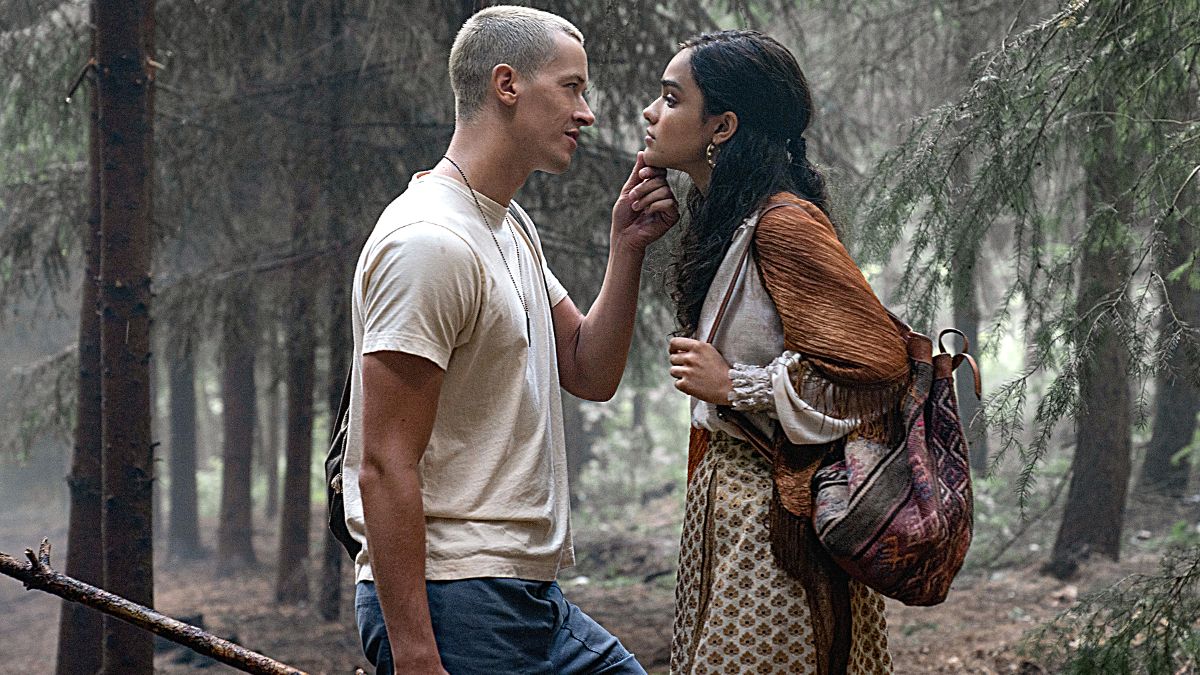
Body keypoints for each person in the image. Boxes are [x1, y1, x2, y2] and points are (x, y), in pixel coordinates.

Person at [340, 6, 678, 674]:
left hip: (527, 594)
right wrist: (415, 655)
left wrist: (627, 245)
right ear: (507, 84)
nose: (587, 113)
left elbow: (587, 367)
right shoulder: (429, 242)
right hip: (455, 598)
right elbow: (383, 462)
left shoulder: (505, 223)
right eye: (571, 87)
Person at [643, 30, 909, 673]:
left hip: (780, 525)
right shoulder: (729, 219)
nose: (652, 113)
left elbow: (881, 367)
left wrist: (738, 385)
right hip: (736, 514)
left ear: (723, 125)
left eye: (672, 99)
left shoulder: (783, 223)